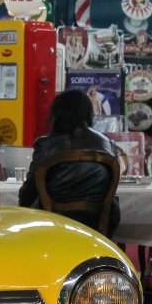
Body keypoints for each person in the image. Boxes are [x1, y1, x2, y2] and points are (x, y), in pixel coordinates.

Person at [17, 89, 120, 234]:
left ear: (57, 113)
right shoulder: (107, 144)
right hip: (96, 225)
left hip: (53, 225)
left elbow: (28, 193)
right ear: (88, 113)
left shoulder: (45, 145)